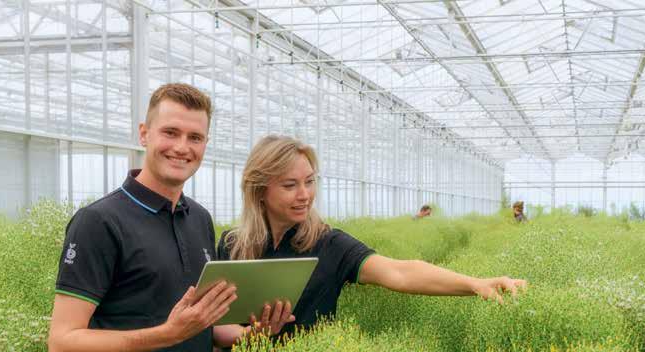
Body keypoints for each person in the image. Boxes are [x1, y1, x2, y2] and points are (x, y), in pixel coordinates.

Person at [48, 83, 285, 352]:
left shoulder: (199, 219)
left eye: (195, 137)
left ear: (205, 144)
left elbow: (202, 326)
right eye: (170, 132)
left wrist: (252, 334)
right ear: (144, 134)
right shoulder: (100, 222)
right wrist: (165, 335)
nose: (182, 147)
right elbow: (62, 347)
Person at [217, 135, 527, 339]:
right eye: (289, 185)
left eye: (309, 182)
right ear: (259, 189)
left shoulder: (328, 244)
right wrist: (250, 337)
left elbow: (400, 272)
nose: (304, 195)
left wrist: (475, 284)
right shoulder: (232, 245)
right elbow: (215, 323)